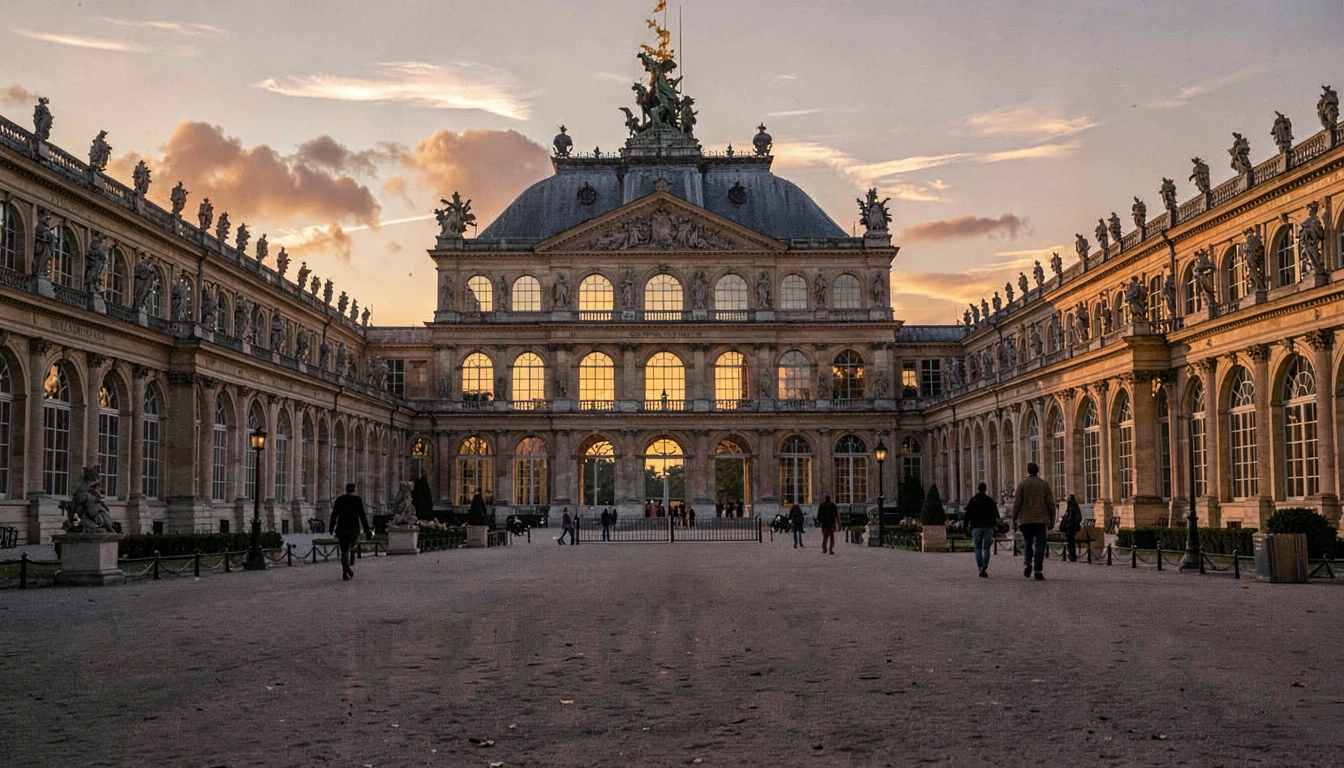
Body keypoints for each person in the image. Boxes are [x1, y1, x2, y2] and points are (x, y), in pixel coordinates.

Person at [1011, 462, 1056, 580]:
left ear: (1028, 471)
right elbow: (1051, 504)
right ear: (1038, 471)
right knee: (1040, 544)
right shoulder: (1044, 484)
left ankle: (1027, 561)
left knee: (1028, 541)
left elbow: (1017, 504)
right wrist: (1052, 519)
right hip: (1041, 519)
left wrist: (1014, 519)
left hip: (1025, 519)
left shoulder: (1022, 484)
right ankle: (1037, 569)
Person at [329, 483, 373, 581]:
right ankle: (348, 567)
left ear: (346, 490)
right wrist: (367, 531)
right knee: (351, 547)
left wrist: (331, 528)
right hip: (353, 529)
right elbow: (362, 516)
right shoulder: (357, 500)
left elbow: (334, 515)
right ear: (354, 490)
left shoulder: (340, 500)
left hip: (342, 529)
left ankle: (346, 571)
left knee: (344, 550)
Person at [964, 482, 1000, 577]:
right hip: (988, 526)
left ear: (978, 489)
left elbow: (967, 514)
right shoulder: (990, 500)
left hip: (976, 526)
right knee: (986, 548)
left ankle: (980, 567)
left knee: (978, 548)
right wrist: (995, 524)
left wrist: (965, 526)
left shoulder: (973, 500)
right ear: (985, 489)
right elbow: (996, 514)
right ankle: (985, 565)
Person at [1060, 494, 1084, 562]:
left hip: (1072, 528)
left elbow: (1077, 518)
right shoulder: (1071, 508)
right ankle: (1071, 555)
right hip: (1069, 528)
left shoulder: (1073, 507)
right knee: (1069, 542)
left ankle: (1072, 556)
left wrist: (1071, 523)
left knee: (1071, 542)